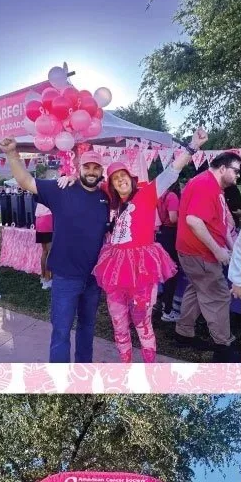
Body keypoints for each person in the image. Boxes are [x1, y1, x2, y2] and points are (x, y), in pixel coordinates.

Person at [85, 130, 205, 362]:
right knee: (118, 322)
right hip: (114, 269)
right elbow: (86, 185)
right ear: (111, 185)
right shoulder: (111, 203)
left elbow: (171, 172)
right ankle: (126, 363)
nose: (120, 180)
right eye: (115, 178)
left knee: (142, 322)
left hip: (141, 269)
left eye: (123, 176)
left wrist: (193, 147)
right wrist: (69, 177)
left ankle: (149, 367)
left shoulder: (147, 194)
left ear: (131, 178)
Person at [0, 138, 111, 363]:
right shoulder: (62, 189)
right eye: (87, 166)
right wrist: (12, 154)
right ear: (79, 169)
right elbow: (25, 181)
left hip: (93, 278)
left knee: (87, 329)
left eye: (96, 167)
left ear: (101, 171)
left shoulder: (106, 197)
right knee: (61, 333)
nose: (91, 171)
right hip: (66, 277)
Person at [174, 152, 241, 361]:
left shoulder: (213, 186)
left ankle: (183, 332)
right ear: (223, 168)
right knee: (219, 295)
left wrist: (230, 246)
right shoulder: (205, 184)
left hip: (194, 252)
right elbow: (194, 221)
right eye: (236, 171)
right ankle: (223, 345)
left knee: (195, 289)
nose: (238, 176)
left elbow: (221, 222)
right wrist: (218, 251)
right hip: (200, 254)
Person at [157, 179, 182, 321]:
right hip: (170, 235)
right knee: (171, 273)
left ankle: (159, 305)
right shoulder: (172, 196)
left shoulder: (160, 194)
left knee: (162, 272)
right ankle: (167, 310)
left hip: (160, 233)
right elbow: (173, 218)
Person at [34, 201, 54, 289]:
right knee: (50, 252)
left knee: (45, 251)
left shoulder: (40, 191)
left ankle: (43, 276)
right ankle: (47, 279)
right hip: (48, 219)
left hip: (39, 220)